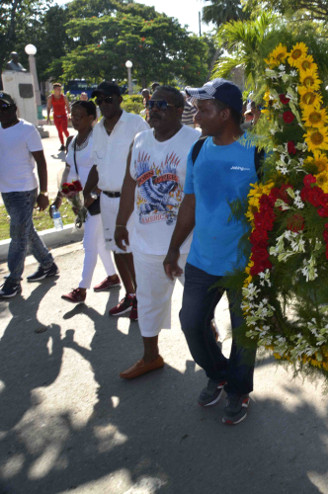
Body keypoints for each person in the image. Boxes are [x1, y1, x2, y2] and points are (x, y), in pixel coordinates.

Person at [165, 78, 259, 425]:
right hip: (202, 260)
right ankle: (219, 373)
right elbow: (189, 202)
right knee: (191, 323)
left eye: (204, 109)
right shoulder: (198, 150)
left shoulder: (257, 151)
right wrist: (173, 248)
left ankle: (238, 390)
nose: (197, 115)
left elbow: (277, 210)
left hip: (245, 266)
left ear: (225, 113)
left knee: (245, 333)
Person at [113, 86, 200, 380]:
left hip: (189, 244)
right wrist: (121, 223)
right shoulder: (139, 141)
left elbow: (203, 193)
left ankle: (213, 361)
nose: (154, 109)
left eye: (162, 104)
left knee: (200, 305)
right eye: (151, 104)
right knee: (148, 302)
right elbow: (129, 183)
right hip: (146, 243)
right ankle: (151, 357)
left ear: (179, 110)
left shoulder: (196, 141)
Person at [84, 82, 150, 319]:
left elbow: (149, 158)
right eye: (99, 101)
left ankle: (143, 300)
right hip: (107, 199)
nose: (103, 105)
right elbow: (96, 164)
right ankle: (130, 295)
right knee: (117, 249)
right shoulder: (98, 129)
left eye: (107, 99)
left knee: (132, 251)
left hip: (132, 200)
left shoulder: (135, 124)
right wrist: (86, 191)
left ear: (119, 99)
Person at [55, 101, 119, 304]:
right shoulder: (73, 141)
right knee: (99, 242)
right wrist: (62, 198)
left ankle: (81, 289)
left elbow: (105, 169)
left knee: (89, 243)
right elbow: (70, 171)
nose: (74, 119)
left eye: (79, 115)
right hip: (83, 200)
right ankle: (112, 277)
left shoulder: (99, 139)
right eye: (72, 115)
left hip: (99, 199)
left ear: (92, 118)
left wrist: (90, 196)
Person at [0, 91, 59, 299]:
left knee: (17, 235)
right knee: (26, 230)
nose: (1, 113)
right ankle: (48, 264)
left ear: (14, 109)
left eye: (4, 108)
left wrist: (43, 192)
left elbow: (41, 162)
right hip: (6, 191)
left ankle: (13, 281)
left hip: (25, 191)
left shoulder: (27, 130)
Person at [46, 83, 70, 151]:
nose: (59, 90)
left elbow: (68, 106)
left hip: (63, 116)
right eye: (58, 89)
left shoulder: (64, 97)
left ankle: (70, 142)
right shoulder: (50, 97)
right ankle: (62, 145)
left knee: (64, 129)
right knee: (59, 131)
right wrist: (48, 117)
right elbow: (48, 107)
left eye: (60, 89)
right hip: (56, 116)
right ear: (54, 90)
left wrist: (69, 114)